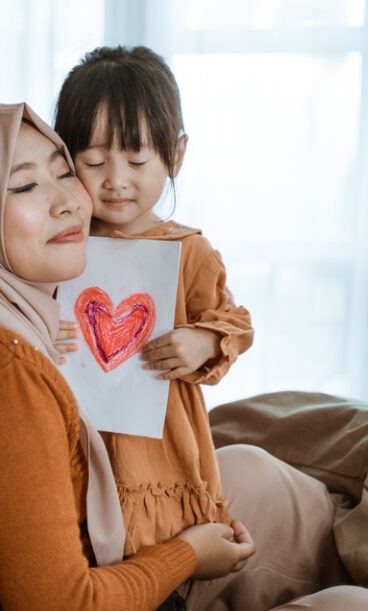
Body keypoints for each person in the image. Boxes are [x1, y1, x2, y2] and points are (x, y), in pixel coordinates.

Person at [0, 103, 368, 611]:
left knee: (256, 475)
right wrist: (188, 553)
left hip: (65, 569)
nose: (69, 201)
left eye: (64, 173)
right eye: (24, 185)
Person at [54, 45, 252, 558]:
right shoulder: (57, 244)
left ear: (176, 155)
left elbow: (235, 322)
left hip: (155, 455)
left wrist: (203, 339)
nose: (116, 179)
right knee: (77, 567)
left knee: (155, 582)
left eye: (137, 158)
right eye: (94, 161)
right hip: (71, 445)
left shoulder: (188, 251)